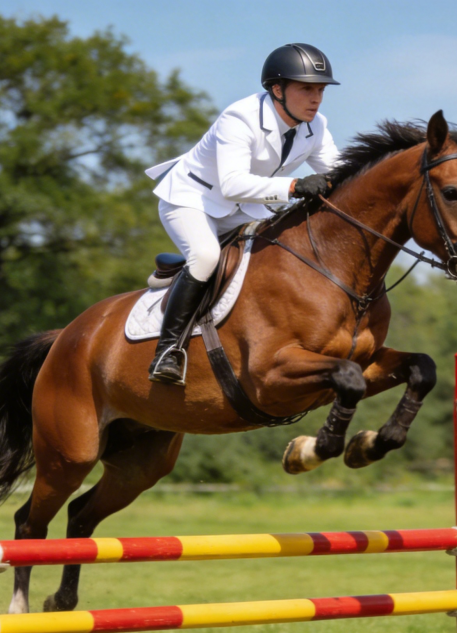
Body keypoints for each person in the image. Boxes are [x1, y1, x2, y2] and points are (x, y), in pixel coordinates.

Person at [144, 43, 341, 385]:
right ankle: (167, 351)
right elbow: (233, 184)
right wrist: (295, 186)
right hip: (192, 199)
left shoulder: (316, 126)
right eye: (306, 89)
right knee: (206, 256)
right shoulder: (240, 118)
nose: (316, 99)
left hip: (246, 206)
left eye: (321, 90)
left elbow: (339, 173)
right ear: (277, 90)